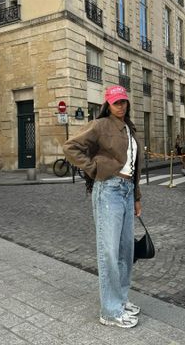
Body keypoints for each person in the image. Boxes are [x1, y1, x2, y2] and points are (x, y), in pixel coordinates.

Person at [63, 85, 142, 329]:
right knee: (109, 250)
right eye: (116, 102)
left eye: (124, 102)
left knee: (125, 251)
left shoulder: (129, 128)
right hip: (108, 190)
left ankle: (120, 299)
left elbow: (134, 165)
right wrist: (95, 169)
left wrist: (137, 196)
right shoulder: (100, 125)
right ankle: (109, 311)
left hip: (127, 191)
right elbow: (70, 147)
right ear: (107, 104)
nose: (121, 106)